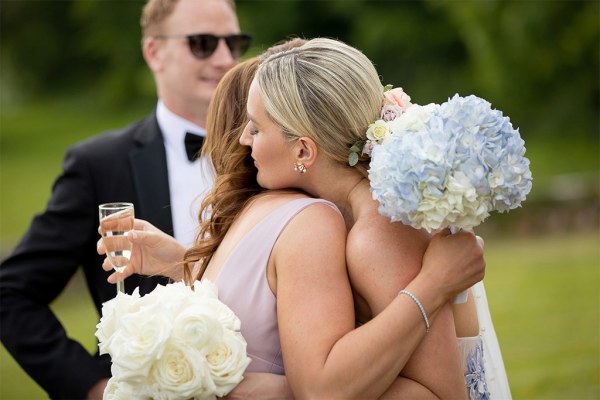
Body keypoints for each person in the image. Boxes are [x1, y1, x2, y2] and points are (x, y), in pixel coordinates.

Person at [102, 39, 492, 398]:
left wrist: (433, 285)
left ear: (304, 151)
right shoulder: (343, 217)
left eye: (255, 128)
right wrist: (179, 261)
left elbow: (442, 394)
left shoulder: (376, 235)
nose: (241, 140)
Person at [0, 0, 251, 398]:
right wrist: (94, 387)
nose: (225, 59)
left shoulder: (269, 153)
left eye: (234, 42)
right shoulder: (99, 165)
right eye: (203, 43)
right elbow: (11, 292)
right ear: (154, 52)